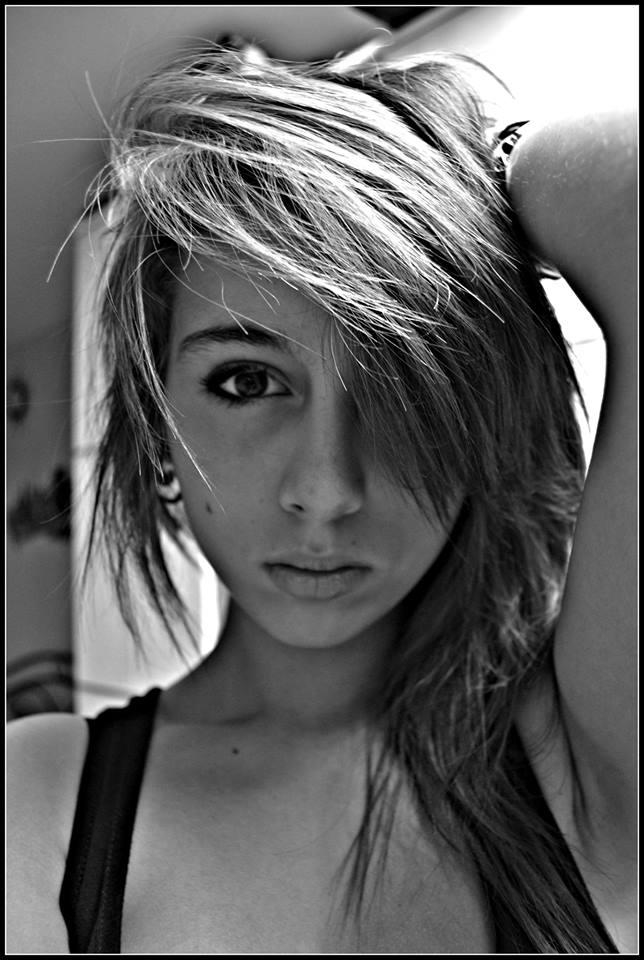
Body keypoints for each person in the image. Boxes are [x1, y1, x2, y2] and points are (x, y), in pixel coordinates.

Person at [7, 42, 636, 954]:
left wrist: (464, 169)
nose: (326, 491)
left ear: (479, 422)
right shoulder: (41, 797)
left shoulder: (579, 747)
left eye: (405, 385)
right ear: (159, 426)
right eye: (246, 382)